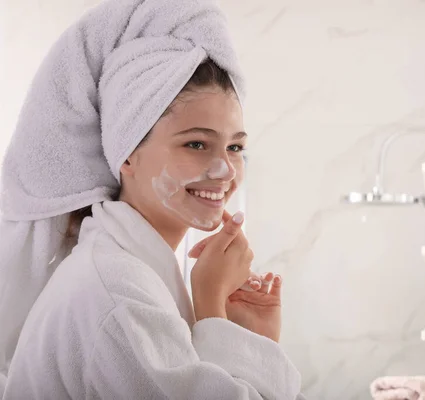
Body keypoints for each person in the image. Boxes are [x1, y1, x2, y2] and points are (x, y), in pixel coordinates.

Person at [0, 0, 304, 399]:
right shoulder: (117, 293)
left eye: (234, 147)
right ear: (127, 151)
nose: (225, 170)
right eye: (197, 143)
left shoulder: (133, 271)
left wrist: (250, 335)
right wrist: (213, 308)